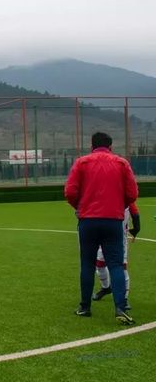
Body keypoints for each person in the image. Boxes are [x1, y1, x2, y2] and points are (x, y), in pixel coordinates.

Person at [65, 131, 138, 325]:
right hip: (113, 221)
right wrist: (118, 205)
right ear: (110, 146)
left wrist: (80, 207)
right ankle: (121, 307)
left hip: (88, 220)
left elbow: (70, 191)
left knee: (87, 264)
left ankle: (85, 307)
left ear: (92, 146)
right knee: (115, 264)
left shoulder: (81, 162)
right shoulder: (122, 163)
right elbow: (132, 193)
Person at [92, 203, 140, 308]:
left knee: (122, 267)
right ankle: (106, 288)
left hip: (120, 240)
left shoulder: (125, 198)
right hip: (104, 236)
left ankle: (124, 299)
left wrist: (136, 226)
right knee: (99, 264)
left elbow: (134, 209)